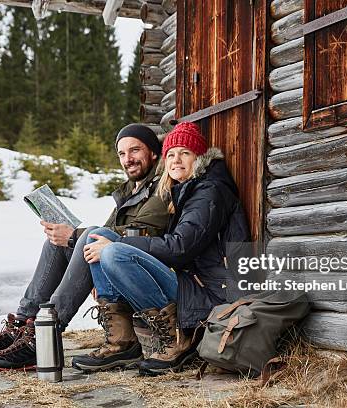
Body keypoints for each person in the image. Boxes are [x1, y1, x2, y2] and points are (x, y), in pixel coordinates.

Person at [0, 124, 170, 371]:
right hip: (121, 264)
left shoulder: (162, 187)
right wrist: (71, 239)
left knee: (88, 236)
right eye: (121, 153)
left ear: (152, 152)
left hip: (144, 275)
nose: (128, 159)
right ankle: (24, 324)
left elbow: (142, 234)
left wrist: (75, 236)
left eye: (135, 150)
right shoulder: (132, 190)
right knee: (55, 244)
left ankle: (46, 333)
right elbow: (110, 230)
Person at [71, 121, 250, 375]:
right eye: (171, 154)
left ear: (198, 157)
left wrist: (121, 244)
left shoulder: (210, 192)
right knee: (98, 236)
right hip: (194, 283)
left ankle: (178, 338)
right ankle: (122, 341)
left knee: (113, 252)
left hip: (216, 295)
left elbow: (180, 247)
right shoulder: (187, 189)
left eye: (185, 153)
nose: (176, 160)